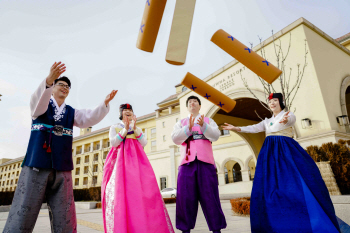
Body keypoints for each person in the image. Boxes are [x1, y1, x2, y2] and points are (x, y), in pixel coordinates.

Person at [3, 62, 117, 233]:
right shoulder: (40, 105)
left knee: (65, 214)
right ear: (53, 87)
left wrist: (104, 104)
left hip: (62, 167)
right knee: (24, 209)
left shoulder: (71, 112)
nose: (65, 88)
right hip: (36, 164)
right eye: (61, 84)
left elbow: (88, 117)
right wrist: (48, 81)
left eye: (68, 87)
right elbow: (37, 101)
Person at [222, 93, 341, 233]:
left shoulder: (289, 115)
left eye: (275, 101)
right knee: (270, 185)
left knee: (293, 182)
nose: (272, 103)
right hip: (269, 155)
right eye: (270, 101)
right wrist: (236, 128)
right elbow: (254, 128)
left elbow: (289, 120)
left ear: (281, 102)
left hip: (285, 152)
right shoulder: (267, 121)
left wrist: (285, 121)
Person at [101, 103, 174, 233]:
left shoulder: (137, 128)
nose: (128, 112)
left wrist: (134, 128)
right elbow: (114, 143)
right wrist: (125, 129)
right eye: (125, 110)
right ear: (121, 114)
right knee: (122, 193)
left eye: (130, 110)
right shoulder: (115, 127)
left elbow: (144, 142)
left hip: (137, 163)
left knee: (143, 191)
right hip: (121, 164)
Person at [171, 96, 227, 233]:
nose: (192, 103)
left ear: (200, 106)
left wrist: (204, 126)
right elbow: (175, 138)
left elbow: (215, 135)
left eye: (195, 101)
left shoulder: (208, 121)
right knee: (185, 198)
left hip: (206, 163)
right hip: (186, 164)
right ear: (187, 107)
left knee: (210, 197)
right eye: (189, 102)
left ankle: (216, 229)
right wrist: (188, 129)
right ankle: (185, 229)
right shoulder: (181, 123)